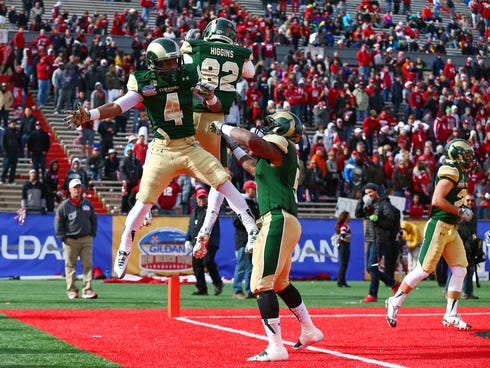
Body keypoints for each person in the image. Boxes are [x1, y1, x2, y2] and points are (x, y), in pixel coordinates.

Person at [63, 38, 258, 279]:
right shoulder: (145, 81)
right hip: (161, 149)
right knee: (143, 203)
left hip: (188, 145)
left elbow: (215, 104)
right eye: (167, 64)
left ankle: (251, 226)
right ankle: (125, 243)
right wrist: (91, 114)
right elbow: (118, 106)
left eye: (175, 62)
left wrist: (209, 98)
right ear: (154, 64)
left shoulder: (187, 75)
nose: (174, 67)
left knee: (222, 179)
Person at [209, 111, 323, 361]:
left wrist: (223, 127)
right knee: (280, 283)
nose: (265, 128)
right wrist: (231, 146)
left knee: (260, 284)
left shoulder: (282, 146)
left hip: (278, 219)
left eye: (271, 125)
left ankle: (276, 347)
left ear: (282, 130)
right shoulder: (275, 159)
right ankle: (310, 329)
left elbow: (252, 142)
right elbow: (251, 164)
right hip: (285, 221)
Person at [180, 19, 256, 254]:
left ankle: (145, 210)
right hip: (216, 120)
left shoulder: (196, 46)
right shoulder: (238, 53)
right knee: (221, 179)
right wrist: (239, 54)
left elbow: (183, 63)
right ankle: (214, 227)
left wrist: (190, 42)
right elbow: (250, 72)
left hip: (189, 116)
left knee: (162, 159)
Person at [387, 139, 476, 330]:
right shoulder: (450, 170)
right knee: (424, 270)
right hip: (439, 226)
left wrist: (460, 211)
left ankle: (451, 314)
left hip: (452, 228)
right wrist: (460, 211)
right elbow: (437, 199)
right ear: (457, 155)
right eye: (467, 155)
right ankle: (395, 300)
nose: (470, 159)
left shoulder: (460, 172)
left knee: (460, 269)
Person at [355, 183, 400, 303]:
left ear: (376, 191)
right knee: (370, 268)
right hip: (371, 238)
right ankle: (394, 284)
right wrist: (361, 201)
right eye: (366, 193)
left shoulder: (384, 204)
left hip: (380, 238)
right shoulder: (369, 204)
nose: (368, 195)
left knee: (373, 266)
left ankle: (372, 294)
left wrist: (378, 220)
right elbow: (358, 214)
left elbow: (389, 222)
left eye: (370, 192)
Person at [54, 178, 98, 299]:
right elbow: (58, 223)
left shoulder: (87, 204)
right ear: (69, 190)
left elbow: (94, 220)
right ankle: (72, 290)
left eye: (79, 187)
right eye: (75, 188)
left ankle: (87, 289)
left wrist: (92, 235)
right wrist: (63, 238)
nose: (77, 190)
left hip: (86, 239)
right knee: (70, 266)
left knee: (87, 265)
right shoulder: (64, 206)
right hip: (70, 240)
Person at [184, 187, 224, 296]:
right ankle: (202, 288)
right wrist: (187, 239)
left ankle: (218, 283)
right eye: (199, 198)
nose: (202, 200)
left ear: (208, 198)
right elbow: (191, 227)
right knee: (196, 264)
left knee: (207, 261)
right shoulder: (195, 211)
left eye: (204, 198)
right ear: (196, 199)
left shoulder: (212, 209)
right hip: (196, 242)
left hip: (210, 241)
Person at [447, 194, 479, 299]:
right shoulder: (459, 212)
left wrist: (474, 240)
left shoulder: (474, 214)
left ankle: (468, 292)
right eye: (468, 200)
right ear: (463, 201)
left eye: (472, 201)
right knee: (456, 268)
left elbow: (473, 230)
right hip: (458, 242)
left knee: (469, 268)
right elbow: (459, 229)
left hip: (468, 244)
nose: (470, 202)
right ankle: (448, 290)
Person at [232, 180, 259, 299]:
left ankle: (250, 290)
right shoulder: (240, 203)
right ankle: (237, 290)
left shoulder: (254, 204)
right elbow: (236, 222)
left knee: (251, 267)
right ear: (247, 189)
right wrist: (251, 225)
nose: (255, 191)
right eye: (253, 189)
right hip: (243, 240)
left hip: (252, 240)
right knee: (241, 266)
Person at [1, 119, 21, 184]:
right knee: (6, 167)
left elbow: (19, 141)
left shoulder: (17, 131)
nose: (13, 125)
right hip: (8, 151)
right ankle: (2, 179)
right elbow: (2, 142)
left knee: (13, 168)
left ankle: (11, 180)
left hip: (15, 152)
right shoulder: (6, 131)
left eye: (15, 124)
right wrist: (4, 150)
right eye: (12, 123)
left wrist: (19, 150)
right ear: (10, 124)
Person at [335, 211, 352, 288]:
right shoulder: (344, 226)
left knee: (344, 264)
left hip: (345, 245)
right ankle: (340, 282)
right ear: (346, 218)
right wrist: (345, 240)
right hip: (344, 245)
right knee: (343, 264)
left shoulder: (345, 226)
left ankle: (343, 281)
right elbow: (342, 235)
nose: (350, 217)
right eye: (349, 216)